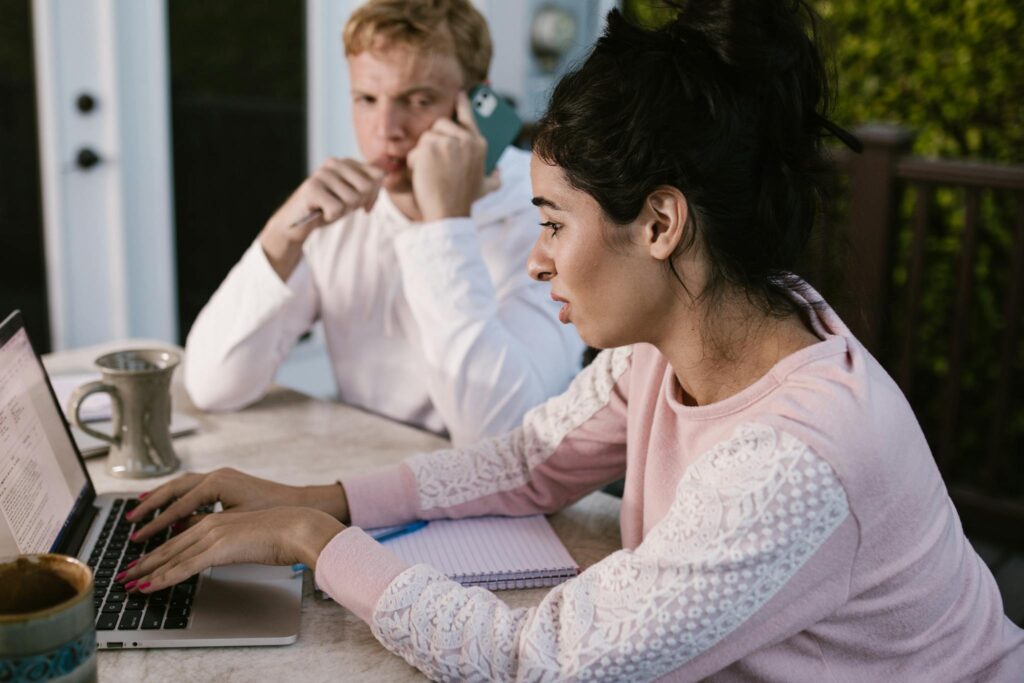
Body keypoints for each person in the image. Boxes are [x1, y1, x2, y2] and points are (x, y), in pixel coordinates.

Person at [121, 2, 1024, 679]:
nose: (539, 260)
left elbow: (542, 661)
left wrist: (316, 539)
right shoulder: (685, 337)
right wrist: (304, 492)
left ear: (662, 223)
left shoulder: (795, 457)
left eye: (552, 224)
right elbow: (524, 462)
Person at [182, 0, 584, 446]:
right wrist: (280, 236)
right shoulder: (343, 210)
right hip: (369, 472)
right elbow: (212, 385)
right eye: (367, 99)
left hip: (503, 495)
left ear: (478, 102)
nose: (385, 129)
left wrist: (445, 223)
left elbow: (499, 436)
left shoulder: (548, 216)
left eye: (417, 100)